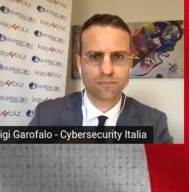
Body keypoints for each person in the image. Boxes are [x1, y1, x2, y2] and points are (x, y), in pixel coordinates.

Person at [28, 14, 174, 143]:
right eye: (94, 56)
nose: (107, 70)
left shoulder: (155, 123)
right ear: (79, 63)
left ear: (130, 62)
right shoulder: (45, 115)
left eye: (118, 56)